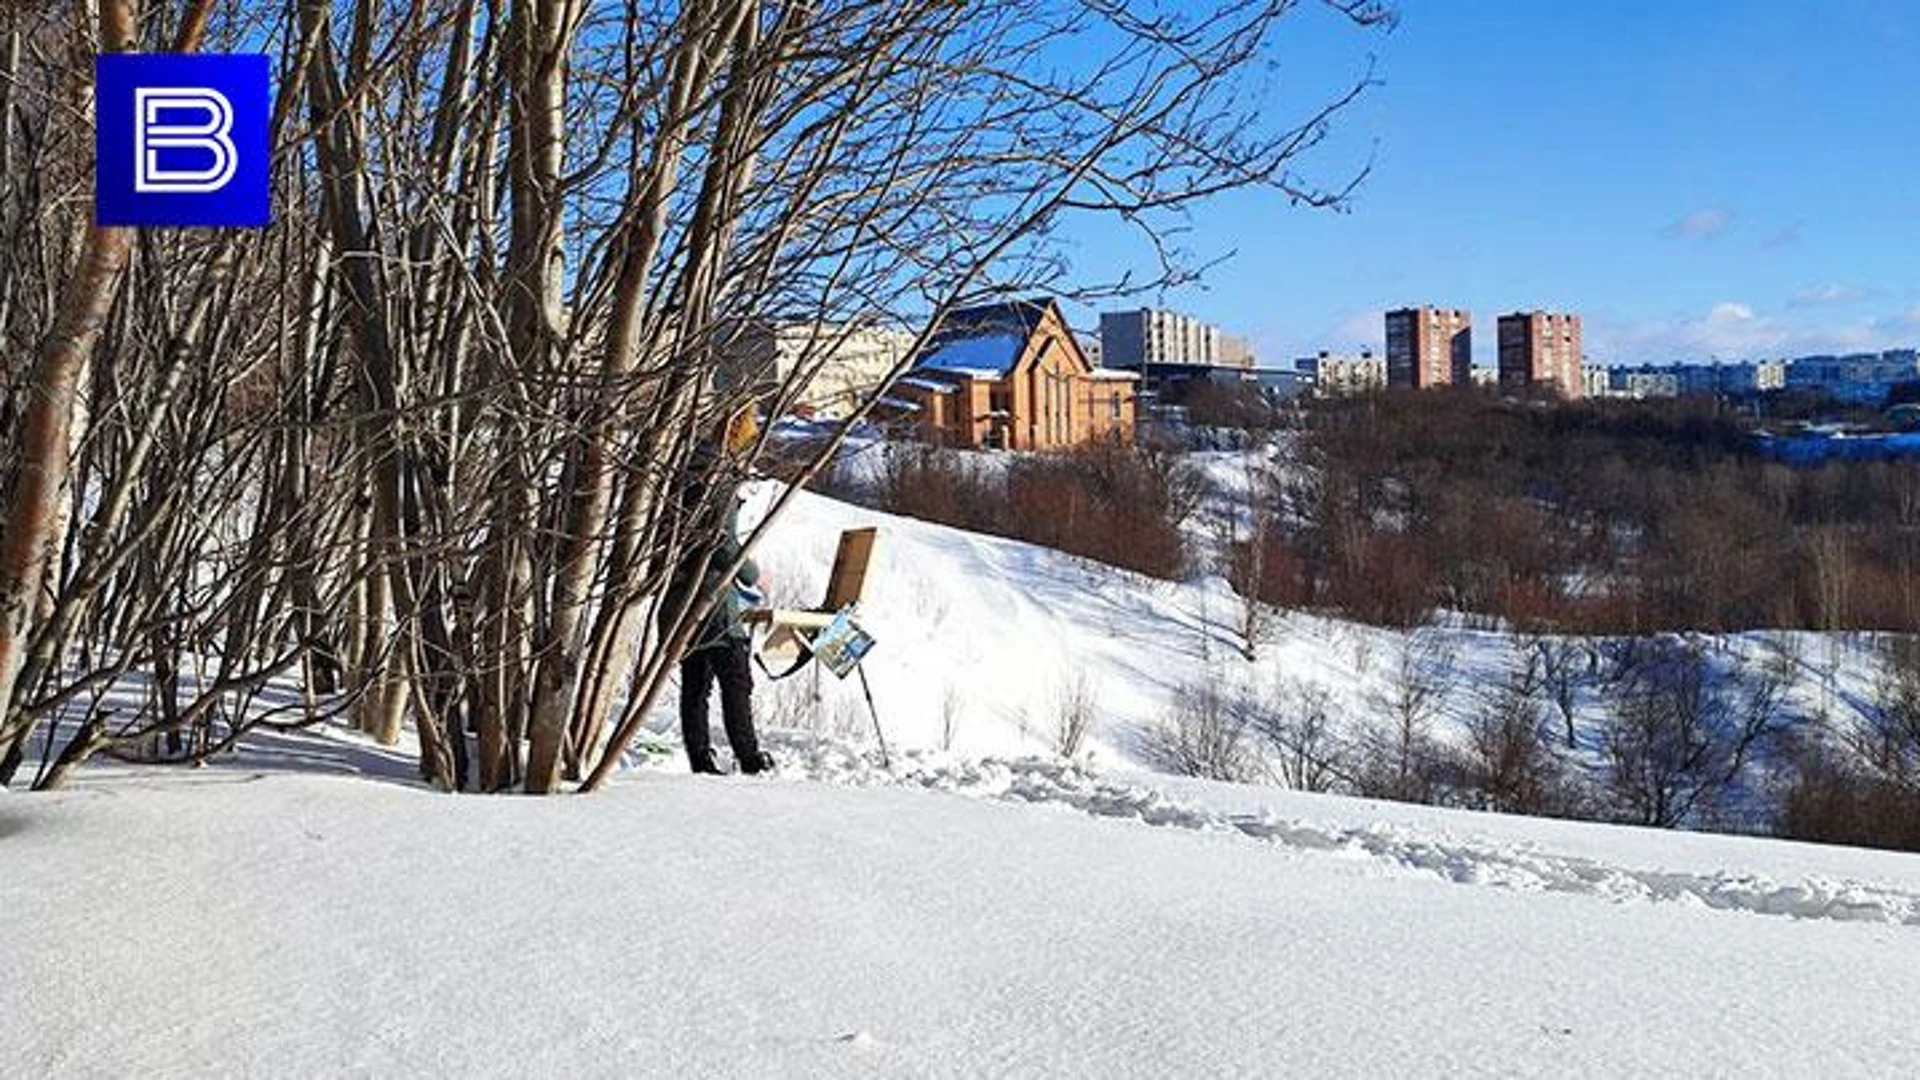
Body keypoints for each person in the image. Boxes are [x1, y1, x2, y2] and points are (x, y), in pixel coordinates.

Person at [661, 407, 774, 776]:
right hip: (711, 596)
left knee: (695, 683)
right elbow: (724, 544)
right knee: (735, 678)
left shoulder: (686, 469)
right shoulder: (717, 477)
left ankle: (701, 760)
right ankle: (750, 759)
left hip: (679, 593)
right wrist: (753, 575)